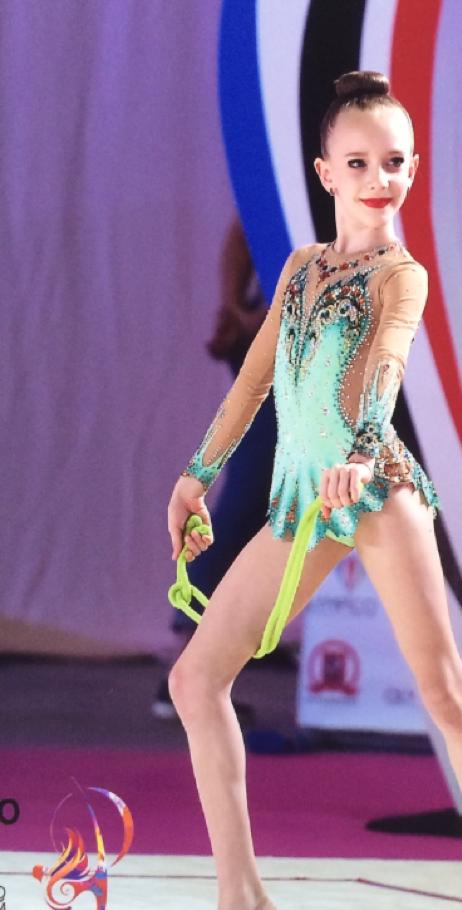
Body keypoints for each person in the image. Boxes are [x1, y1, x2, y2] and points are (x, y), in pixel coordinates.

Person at [165, 70, 462, 910]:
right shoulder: (298, 269)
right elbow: (254, 382)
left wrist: (364, 456)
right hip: (302, 498)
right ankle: (241, 898)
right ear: (326, 171)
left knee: (446, 693)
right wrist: (196, 476)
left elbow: (383, 372)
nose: (380, 179)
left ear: (413, 170)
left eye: (396, 162)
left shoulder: (401, 275)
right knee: (195, 679)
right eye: (360, 163)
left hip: (377, 493)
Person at [153, 217, 295, 725]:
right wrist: (240, 308)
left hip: (303, 348)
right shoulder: (316, 184)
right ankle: (186, 664)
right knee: (248, 504)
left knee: (267, 512)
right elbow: (243, 227)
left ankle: (207, 660)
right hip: (279, 349)